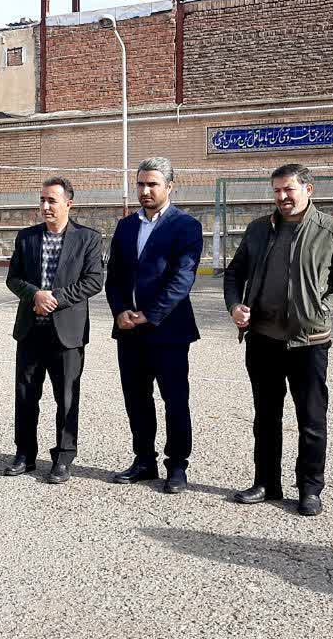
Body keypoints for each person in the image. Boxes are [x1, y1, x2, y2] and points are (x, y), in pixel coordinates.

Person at [223, 164, 333, 517]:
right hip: (263, 340)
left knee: (312, 420)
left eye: (288, 189)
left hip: (309, 342)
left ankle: (309, 489)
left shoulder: (332, 230)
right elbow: (234, 273)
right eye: (276, 190)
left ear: (308, 190)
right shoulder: (259, 229)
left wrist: (324, 306)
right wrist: (235, 306)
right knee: (266, 417)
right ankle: (266, 483)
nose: (282, 197)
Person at [105, 157, 203, 494]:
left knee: (174, 400)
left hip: (168, 330)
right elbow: (114, 276)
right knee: (136, 398)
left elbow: (182, 279)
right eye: (141, 184)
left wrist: (150, 313)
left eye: (153, 184)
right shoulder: (126, 226)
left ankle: (177, 465)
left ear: (169, 187)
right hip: (129, 330)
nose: (145, 190)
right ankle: (144, 459)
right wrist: (120, 310)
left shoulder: (186, 226)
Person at [3, 177, 103, 483]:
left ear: (68, 204)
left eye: (52, 201)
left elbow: (93, 281)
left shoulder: (88, 238)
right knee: (25, 396)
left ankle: (63, 458)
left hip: (67, 334)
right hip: (31, 331)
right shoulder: (27, 237)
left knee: (67, 399)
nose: (46, 206)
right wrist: (35, 295)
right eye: (42, 200)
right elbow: (13, 278)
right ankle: (24, 454)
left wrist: (54, 298)